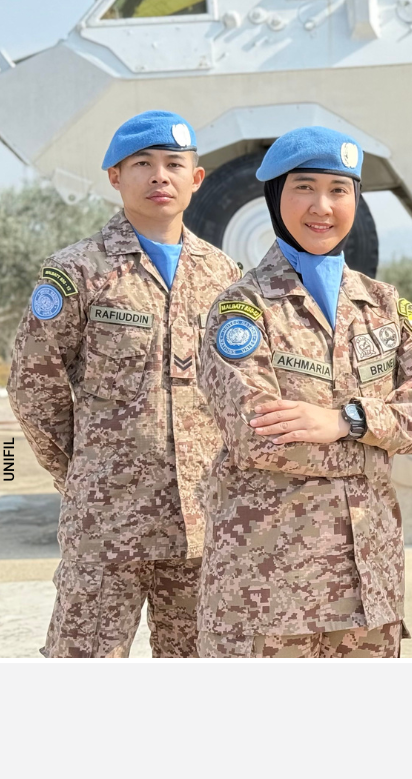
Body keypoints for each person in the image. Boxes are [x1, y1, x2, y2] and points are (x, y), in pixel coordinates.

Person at [196, 126, 412, 658]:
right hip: (269, 593)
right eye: (304, 189)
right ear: (275, 197)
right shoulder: (241, 309)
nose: (323, 207)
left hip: (370, 593)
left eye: (339, 190)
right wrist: (384, 438)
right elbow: (259, 436)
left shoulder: (385, 305)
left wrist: (348, 421)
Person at [8, 111, 239, 657]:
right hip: (106, 525)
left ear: (196, 179)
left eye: (173, 164)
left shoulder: (224, 275)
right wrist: (81, 470)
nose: (160, 176)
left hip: (202, 523)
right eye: (142, 164)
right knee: (85, 669)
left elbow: (238, 392)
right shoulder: (77, 270)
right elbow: (33, 384)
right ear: (115, 176)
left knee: (200, 675)